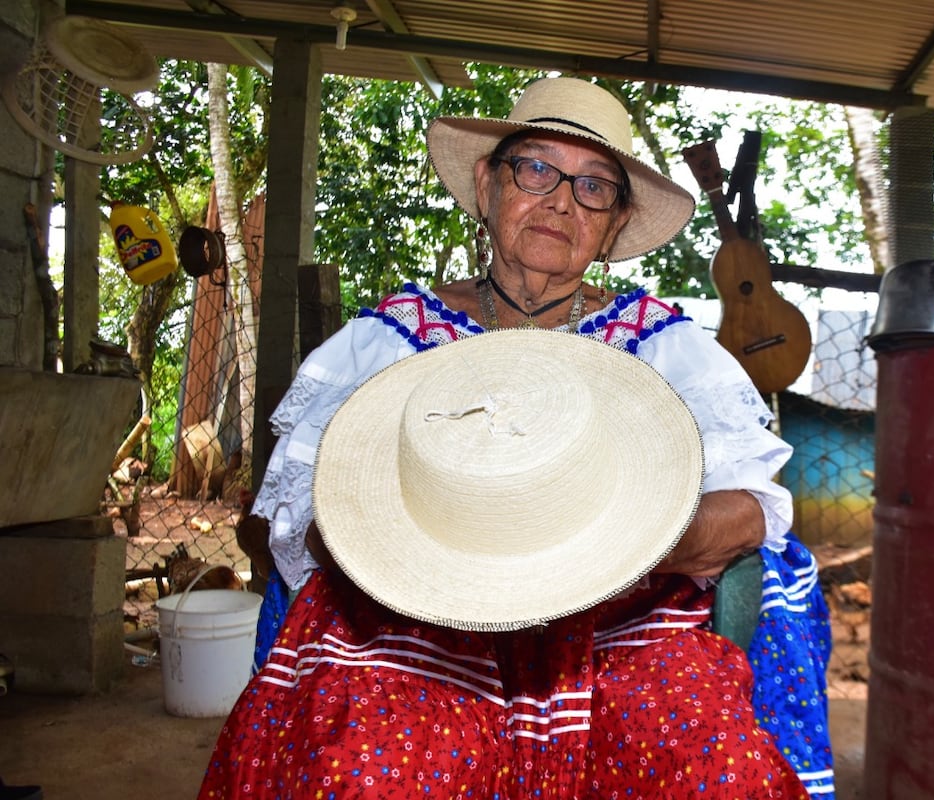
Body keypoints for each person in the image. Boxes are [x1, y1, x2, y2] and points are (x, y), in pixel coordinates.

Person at [198, 76, 833, 799]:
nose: (561, 200)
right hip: (414, 632)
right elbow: (303, 519)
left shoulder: (663, 348)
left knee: (713, 764)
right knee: (366, 769)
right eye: (535, 168)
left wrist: (603, 549)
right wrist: (436, 557)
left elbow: (750, 510)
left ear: (616, 222)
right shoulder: (393, 340)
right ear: (487, 184)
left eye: (594, 187)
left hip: (620, 632)